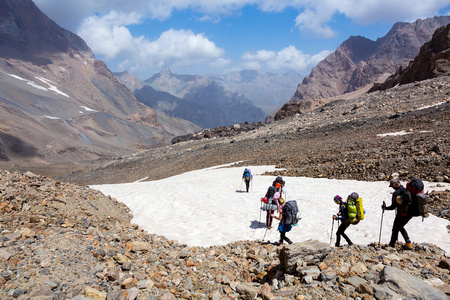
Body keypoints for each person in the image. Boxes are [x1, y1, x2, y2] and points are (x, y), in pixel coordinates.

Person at [382, 178, 413, 250]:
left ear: (394, 185)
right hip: (410, 213)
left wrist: (385, 208)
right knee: (400, 227)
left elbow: (393, 207)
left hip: (401, 214)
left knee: (395, 229)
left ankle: (392, 244)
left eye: (392, 186)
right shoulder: (407, 190)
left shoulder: (396, 193)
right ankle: (408, 242)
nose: (392, 188)